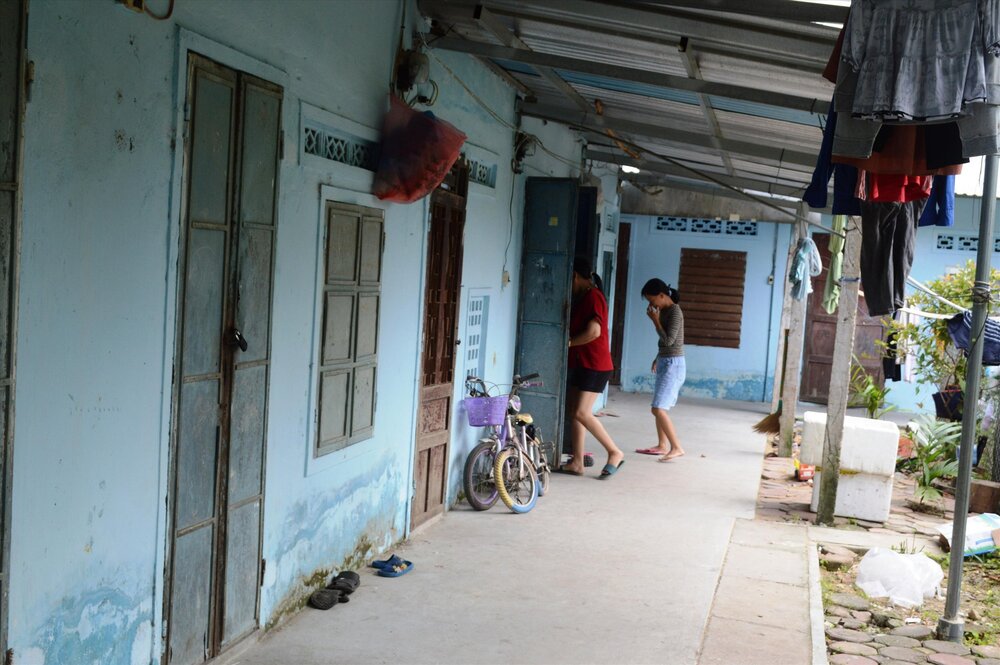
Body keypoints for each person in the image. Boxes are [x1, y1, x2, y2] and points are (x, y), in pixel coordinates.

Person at [559, 257, 625, 479]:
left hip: (595, 365)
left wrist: (568, 343)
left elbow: (594, 332)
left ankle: (614, 452)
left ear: (575, 276)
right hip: (582, 363)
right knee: (574, 412)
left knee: (581, 412)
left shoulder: (593, 297)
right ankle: (577, 462)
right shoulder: (584, 297)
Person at [635, 278, 687, 462]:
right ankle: (661, 445)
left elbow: (669, 341)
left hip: (674, 364)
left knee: (658, 408)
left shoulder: (674, 312)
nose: (651, 304)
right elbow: (665, 344)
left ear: (662, 295)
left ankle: (677, 447)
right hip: (666, 360)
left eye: (652, 300)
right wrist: (657, 358)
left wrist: (655, 322)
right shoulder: (665, 310)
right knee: (658, 406)